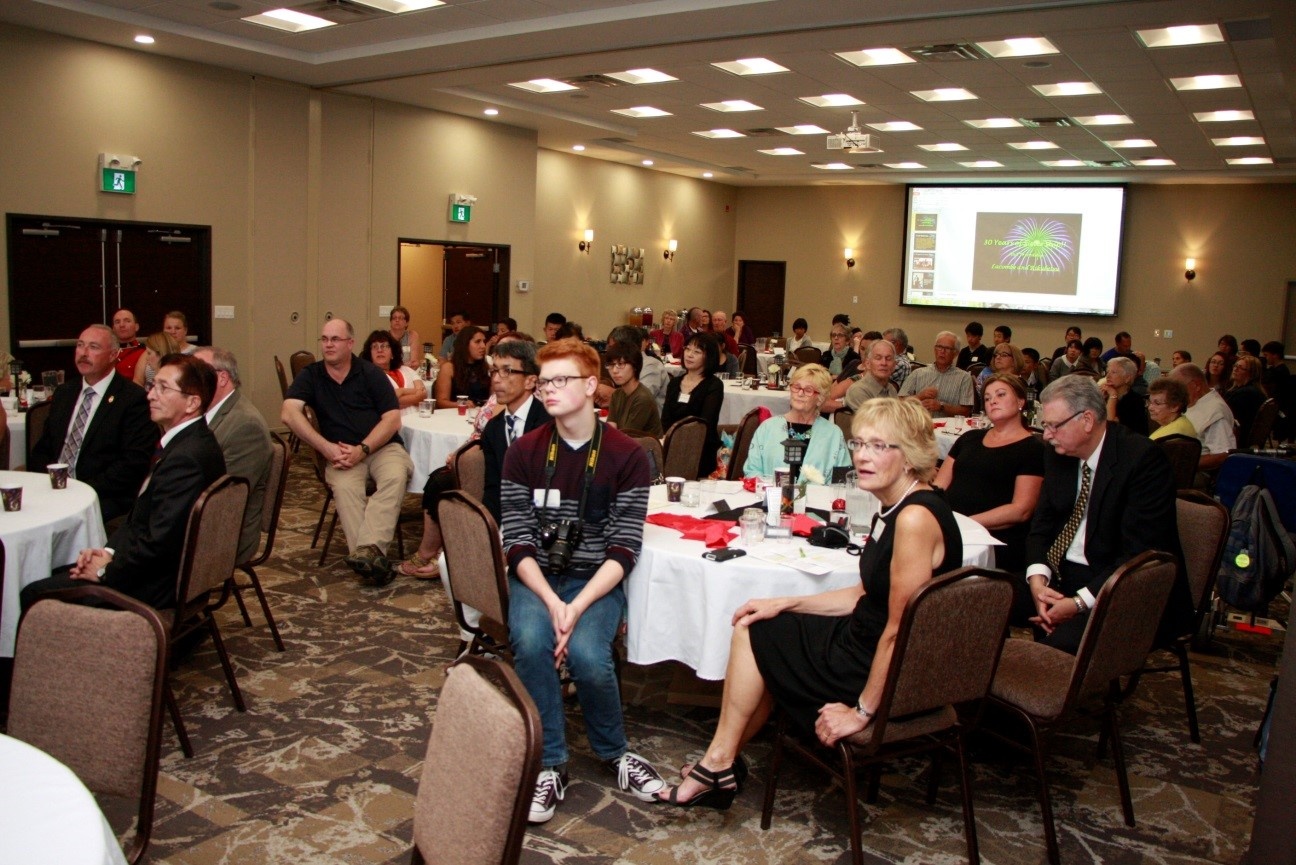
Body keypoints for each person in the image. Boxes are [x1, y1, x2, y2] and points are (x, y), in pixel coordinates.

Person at [656, 398, 963, 807]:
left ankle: (718, 762)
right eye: (859, 444)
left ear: (910, 456)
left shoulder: (914, 519)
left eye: (879, 446)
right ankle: (719, 760)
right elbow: (864, 595)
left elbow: (899, 628)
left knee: (755, 635)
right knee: (761, 620)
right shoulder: (898, 504)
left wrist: (862, 712)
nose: (862, 456)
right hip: (867, 641)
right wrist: (785, 602)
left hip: (878, 665)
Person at [499, 338, 665, 822]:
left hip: (595, 579)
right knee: (530, 641)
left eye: (560, 380)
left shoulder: (627, 455)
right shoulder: (524, 452)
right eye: (543, 381)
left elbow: (624, 549)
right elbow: (518, 542)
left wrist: (576, 606)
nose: (547, 389)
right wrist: (554, 603)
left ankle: (615, 753)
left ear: (592, 386)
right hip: (538, 581)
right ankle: (551, 763)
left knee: (591, 656)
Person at [20, 354, 226, 611]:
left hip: (151, 587)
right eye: (153, 386)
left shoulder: (186, 459)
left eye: (163, 388)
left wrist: (105, 569)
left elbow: (158, 543)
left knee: (32, 592)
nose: (150, 395)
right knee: (58, 568)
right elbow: (144, 522)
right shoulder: (192, 442)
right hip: (149, 568)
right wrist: (108, 552)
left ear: (192, 402)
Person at [1024, 376, 1189, 654]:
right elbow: (1042, 523)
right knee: (980, 604)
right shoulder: (1059, 453)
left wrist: (1078, 602)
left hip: (1120, 582)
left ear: (1087, 420)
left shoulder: (1142, 460)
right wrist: (1037, 580)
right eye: (1045, 426)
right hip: (1060, 571)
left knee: (1047, 655)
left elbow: (1139, 553)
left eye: (1054, 425)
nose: (1048, 435)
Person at [399, 337, 545, 580]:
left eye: (507, 371)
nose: (497, 379)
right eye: (494, 370)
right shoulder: (495, 429)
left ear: (531, 380)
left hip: (543, 520)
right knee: (449, 563)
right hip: (505, 518)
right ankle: (482, 618)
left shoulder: (549, 424)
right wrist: (486, 532)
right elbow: (492, 488)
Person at [282, 318, 413, 585]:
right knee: (346, 490)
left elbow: (392, 420)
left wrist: (364, 448)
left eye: (335, 339)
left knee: (395, 476)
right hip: (339, 454)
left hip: (380, 447)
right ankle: (371, 560)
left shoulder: (370, 374)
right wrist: (325, 448)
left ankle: (367, 554)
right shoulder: (312, 375)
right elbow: (288, 413)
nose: (328, 345)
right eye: (324, 339)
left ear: (350, 343)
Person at [29, 324, 156, 525]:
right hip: (54, 489)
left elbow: (132, 464)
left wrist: (79, 490)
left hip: (102, 495)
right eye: (80, 345)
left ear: (113, 355)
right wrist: (48, 483)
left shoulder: (133, 400)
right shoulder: (65, 393)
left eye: (94, 347)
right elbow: (44, 448)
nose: (83, 353)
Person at [936, 373, 1045, 575]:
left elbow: (1021, 509)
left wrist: (966, 524)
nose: (992, 400)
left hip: (993, 538)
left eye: (1001, 394)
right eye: (987, 398)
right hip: (950, 528)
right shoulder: (969, 438)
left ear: (1021, 401)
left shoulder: (1033, 449)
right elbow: (939, 486)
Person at [193, 346, 274, 565]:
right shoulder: (207, 413)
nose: (188, 381)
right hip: (203, 518)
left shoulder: (245, 425)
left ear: (221, 378)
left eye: (197, 373)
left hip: (225, 535)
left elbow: (224, 500)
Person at [743, 364, 849, 481]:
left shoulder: (833, 434)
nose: (800, 393)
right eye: (796, 387)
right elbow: (752, 470)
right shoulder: (768, 427)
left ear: (820, 399)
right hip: (770, 496)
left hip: (817, 499)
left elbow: (841, 480)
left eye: (808, 390)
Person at [661, 332, 725, 478]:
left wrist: (681, 442)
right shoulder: (675, 383)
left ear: (708, 356)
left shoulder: (714, 385)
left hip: (701, 449)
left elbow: (705, 422)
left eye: (697, 352)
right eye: (688, 349)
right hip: (672, 447)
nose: (689, 355)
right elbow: (665, 418)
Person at [1170, 363, 1236, 471]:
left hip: (1193, 473)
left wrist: (1183, 465)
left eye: (1177, 387)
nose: (1174, 393)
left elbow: (1223, 454)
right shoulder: (1196, 403)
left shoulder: (1214, 411)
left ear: (1196, 385)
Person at [899, 331, 973, 418]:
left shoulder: (964, 377)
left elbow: (966, 412)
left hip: (950, 429)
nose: (942, 351)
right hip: (921, 425)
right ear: (934, 349)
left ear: (956, 353)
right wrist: (919, 396)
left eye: (947, 348)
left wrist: (941, 407)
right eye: (939, 347)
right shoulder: (918, 373)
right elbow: (900, 403)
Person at [605, 340, 662, 437]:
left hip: (647, 450)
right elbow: (611, 428)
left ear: (635, 366)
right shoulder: (617, 394)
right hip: (626, 446)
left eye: (621, 364)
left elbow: (627, 437)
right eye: (611, 365)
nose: (614, 370)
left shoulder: (642, 398)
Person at [362, 329, 427, 414]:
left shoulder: (407, 369)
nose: (379, 350)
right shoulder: (368, 376)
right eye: (375, 346)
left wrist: (401, 392)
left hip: (417, 421)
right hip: (392, 424)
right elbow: (385, 403)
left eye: (385, 346)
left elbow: (423, 394)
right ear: (370, 354)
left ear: (392, 353)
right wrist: (415, 396)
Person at [434, 325, 490, 409]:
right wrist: (461, 405)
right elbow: (441, 402)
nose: (483, 346)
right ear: (465, 344)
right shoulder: (449, 368)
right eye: (478, 342)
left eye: (483, 342)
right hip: (456, 415)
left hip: (481, 414)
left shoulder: (486, 367)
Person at [840, 339, 898, 411]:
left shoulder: (891, 389)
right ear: (868, 364)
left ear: (894, 365)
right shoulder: (858, 391)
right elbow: (877, 421)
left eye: (888, 359)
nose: (884, 363)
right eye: (878, 358)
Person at [1100, 356, 1148, 435]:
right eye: (1107, 372)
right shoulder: (1104, 395)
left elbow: (1110, 426)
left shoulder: (1135, 401)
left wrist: (1113, 395)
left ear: (1127, 378)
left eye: (1113, 372)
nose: (1108, 376)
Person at [1226, 355, 1267, 446]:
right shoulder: (1253, 391)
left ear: (1252, 373)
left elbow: (1228, 418)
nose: (1235, 369)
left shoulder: (1246, 394)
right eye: (1235, 366)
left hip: (1238, 440)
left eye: (1241, 368)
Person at [112, 308, 147, 380]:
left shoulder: (145, 352)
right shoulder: (106, 352)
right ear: (113, 329)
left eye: (127, 321)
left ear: (136, 327)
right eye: (117, 322)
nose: (122, 325)